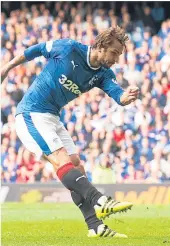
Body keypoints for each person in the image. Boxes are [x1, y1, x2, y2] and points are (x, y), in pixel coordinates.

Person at [1, 26, 139, 238]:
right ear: (101, 46)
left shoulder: (103, 74)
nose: (116, 59)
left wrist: (126, 97)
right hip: (32, 113)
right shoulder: (68, 48)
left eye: (119, 55)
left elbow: (117, 94)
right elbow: (34, 51)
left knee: (76, 165)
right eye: (114, 53)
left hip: (53, 117)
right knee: (61, 160)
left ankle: (95, 226)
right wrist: (7, 67)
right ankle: (100, 199)